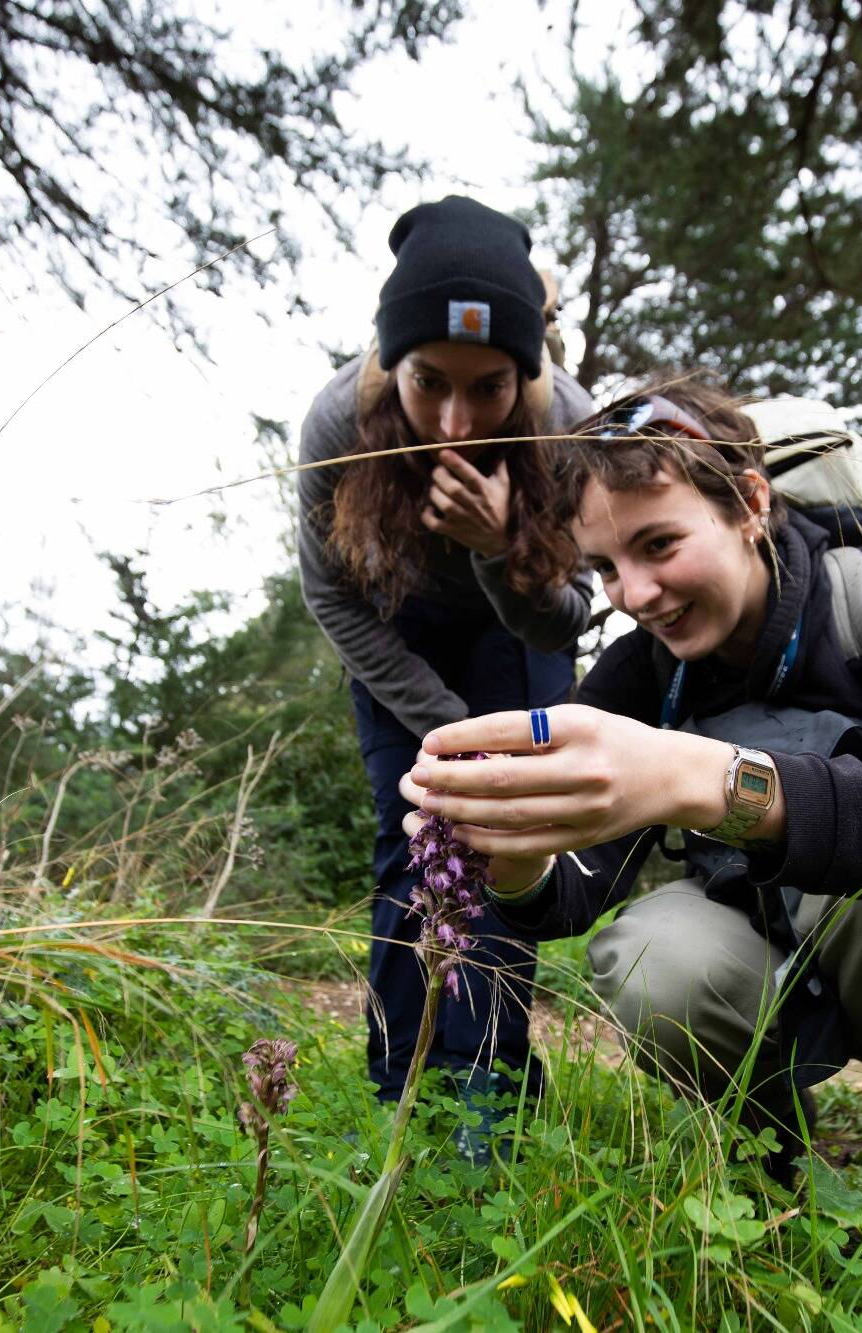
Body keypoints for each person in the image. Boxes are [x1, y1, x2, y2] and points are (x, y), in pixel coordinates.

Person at [397, 379, 862, 1309]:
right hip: (756, 939)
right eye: (607, 567)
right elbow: (580, 891)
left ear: (749, 501)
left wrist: (697, 779)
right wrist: (517, 851)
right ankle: (775, 1175)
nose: (638, 595)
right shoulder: (635, 672)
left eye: (659, 544)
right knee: (652, 954)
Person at [296, 196, 596, 1129]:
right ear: (392, 363)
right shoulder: (338, 424)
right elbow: (331, 594)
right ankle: (404, 1084)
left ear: (527, 374)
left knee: (509, 837)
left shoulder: (571, 432)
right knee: (417, 828)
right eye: (430, 382)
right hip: (398, 633)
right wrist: (444, 721)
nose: (457, 421)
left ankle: (490, 1088)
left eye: (489, 387)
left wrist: (502, 547)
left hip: (516, 629)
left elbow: (569, 619)